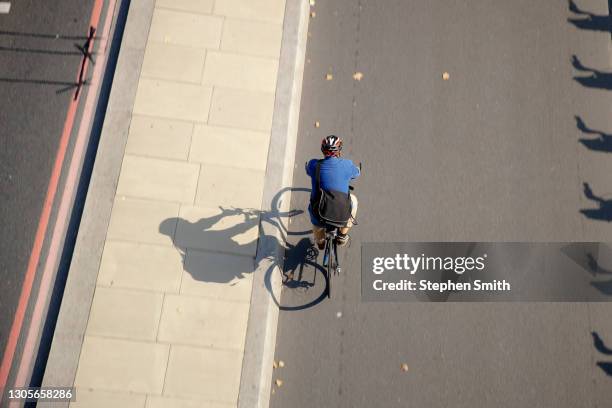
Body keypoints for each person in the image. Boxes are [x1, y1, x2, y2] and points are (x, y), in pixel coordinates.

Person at [306, 135, 360, 249]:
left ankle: (320, 243)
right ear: (339, 150)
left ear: (322, 149)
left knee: (316, 221)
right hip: (342, 214)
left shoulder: (313, 165)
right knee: (354, 201)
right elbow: (357, 173)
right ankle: (342, 236)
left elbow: (308, 170)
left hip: (319, 213)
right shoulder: (347, 165)